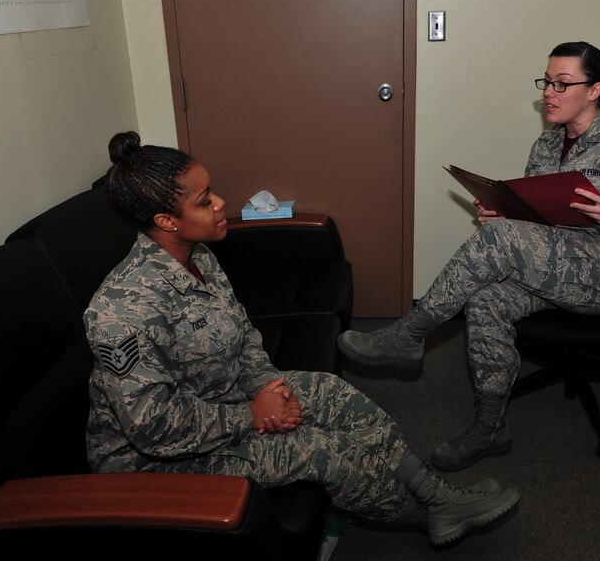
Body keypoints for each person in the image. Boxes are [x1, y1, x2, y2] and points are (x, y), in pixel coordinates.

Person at [83, 131, 521, 548]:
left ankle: (437, 496)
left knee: (332, 392)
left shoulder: (200, 257)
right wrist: (252, 416)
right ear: (165, 221)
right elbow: (152, 426)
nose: (220, 204)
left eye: (212, 191)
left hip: (222, 398)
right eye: (204, 201)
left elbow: (243, 335)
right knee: (320, 449)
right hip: (158, 465)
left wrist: (271, 388)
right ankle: (424, 515)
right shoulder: (124, 308)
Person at [338, 41, 600, 471]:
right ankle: (490, 427)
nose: (549, 92)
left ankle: (410, 335)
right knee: (485, 301)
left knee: (503, 240)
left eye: (563, 84)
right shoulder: (546, 144)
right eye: (547, 82)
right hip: (560, 266)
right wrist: (505, 213)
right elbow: (541, 215)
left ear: (595, 90)